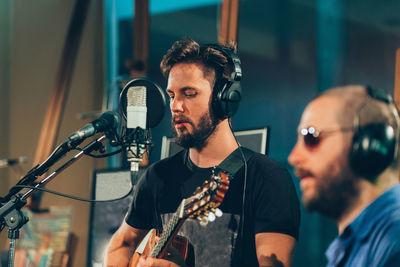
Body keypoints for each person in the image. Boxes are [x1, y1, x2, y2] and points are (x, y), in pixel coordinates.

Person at [104, 37, 300, 267]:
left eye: (189, 93)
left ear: (224, 99)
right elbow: (121, 244)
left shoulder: (267, 178)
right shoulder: (158, 177)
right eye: (172, 95)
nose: (176, 106)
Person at [288, 85, 400, 267]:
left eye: (311, 137)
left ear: (368, 144)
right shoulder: (354, 243)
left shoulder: (394, 241)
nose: (293, 157)